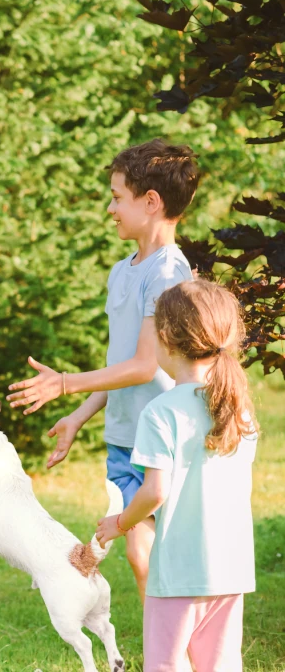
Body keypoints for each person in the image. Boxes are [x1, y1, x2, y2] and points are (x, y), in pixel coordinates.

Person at [7, 139, 198, 600]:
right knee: (145, 557)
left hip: (161, 439)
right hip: (124, 441)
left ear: (150, 202)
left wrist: (65, 384)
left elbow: (146, 365)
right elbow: (122, 367)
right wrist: (79, 416)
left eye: (117, 197)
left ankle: (172, 658)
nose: (110, 208)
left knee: (145, 556)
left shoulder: (169, 271)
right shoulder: (123, 270)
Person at [96, 279, 257, 672]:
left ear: (164, 336)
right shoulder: (240, 407)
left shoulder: (161, 411)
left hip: (179, 576)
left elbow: (155, 492)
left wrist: (119, 523)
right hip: (230, 571)